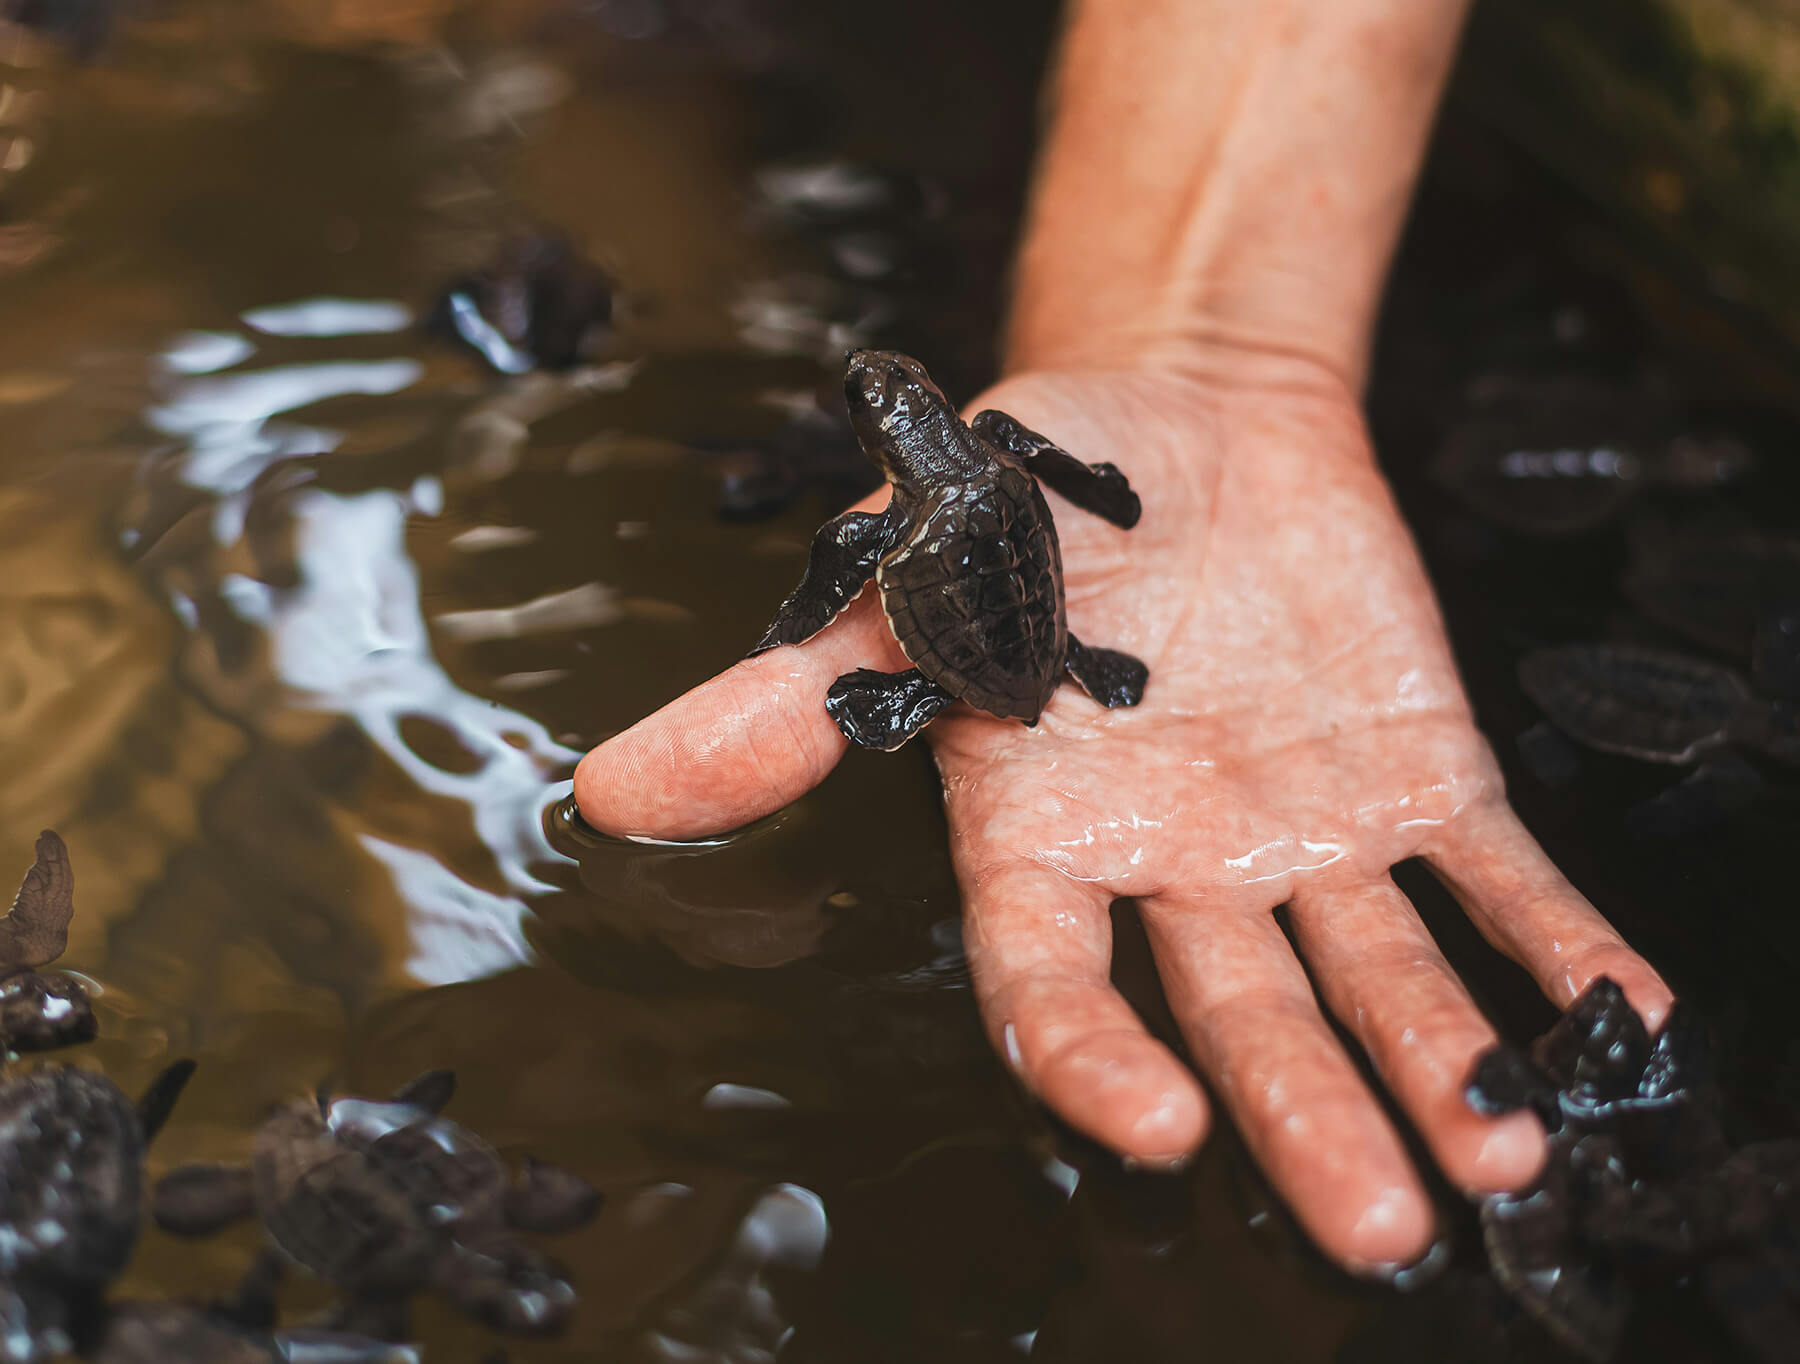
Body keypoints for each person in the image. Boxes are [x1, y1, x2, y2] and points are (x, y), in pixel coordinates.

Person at [573, 0, 1672, 1272]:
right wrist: (1168, 379)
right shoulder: (991, 458)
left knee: (899, 670)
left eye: (884, 399)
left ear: (890, 441)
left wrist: (793, 631)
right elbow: (1068, 473)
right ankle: (1051, 672)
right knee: (1008, 658)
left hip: (971, 652)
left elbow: (831, 573)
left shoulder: (880, 534)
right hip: (1048, 638)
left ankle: (932, 695)